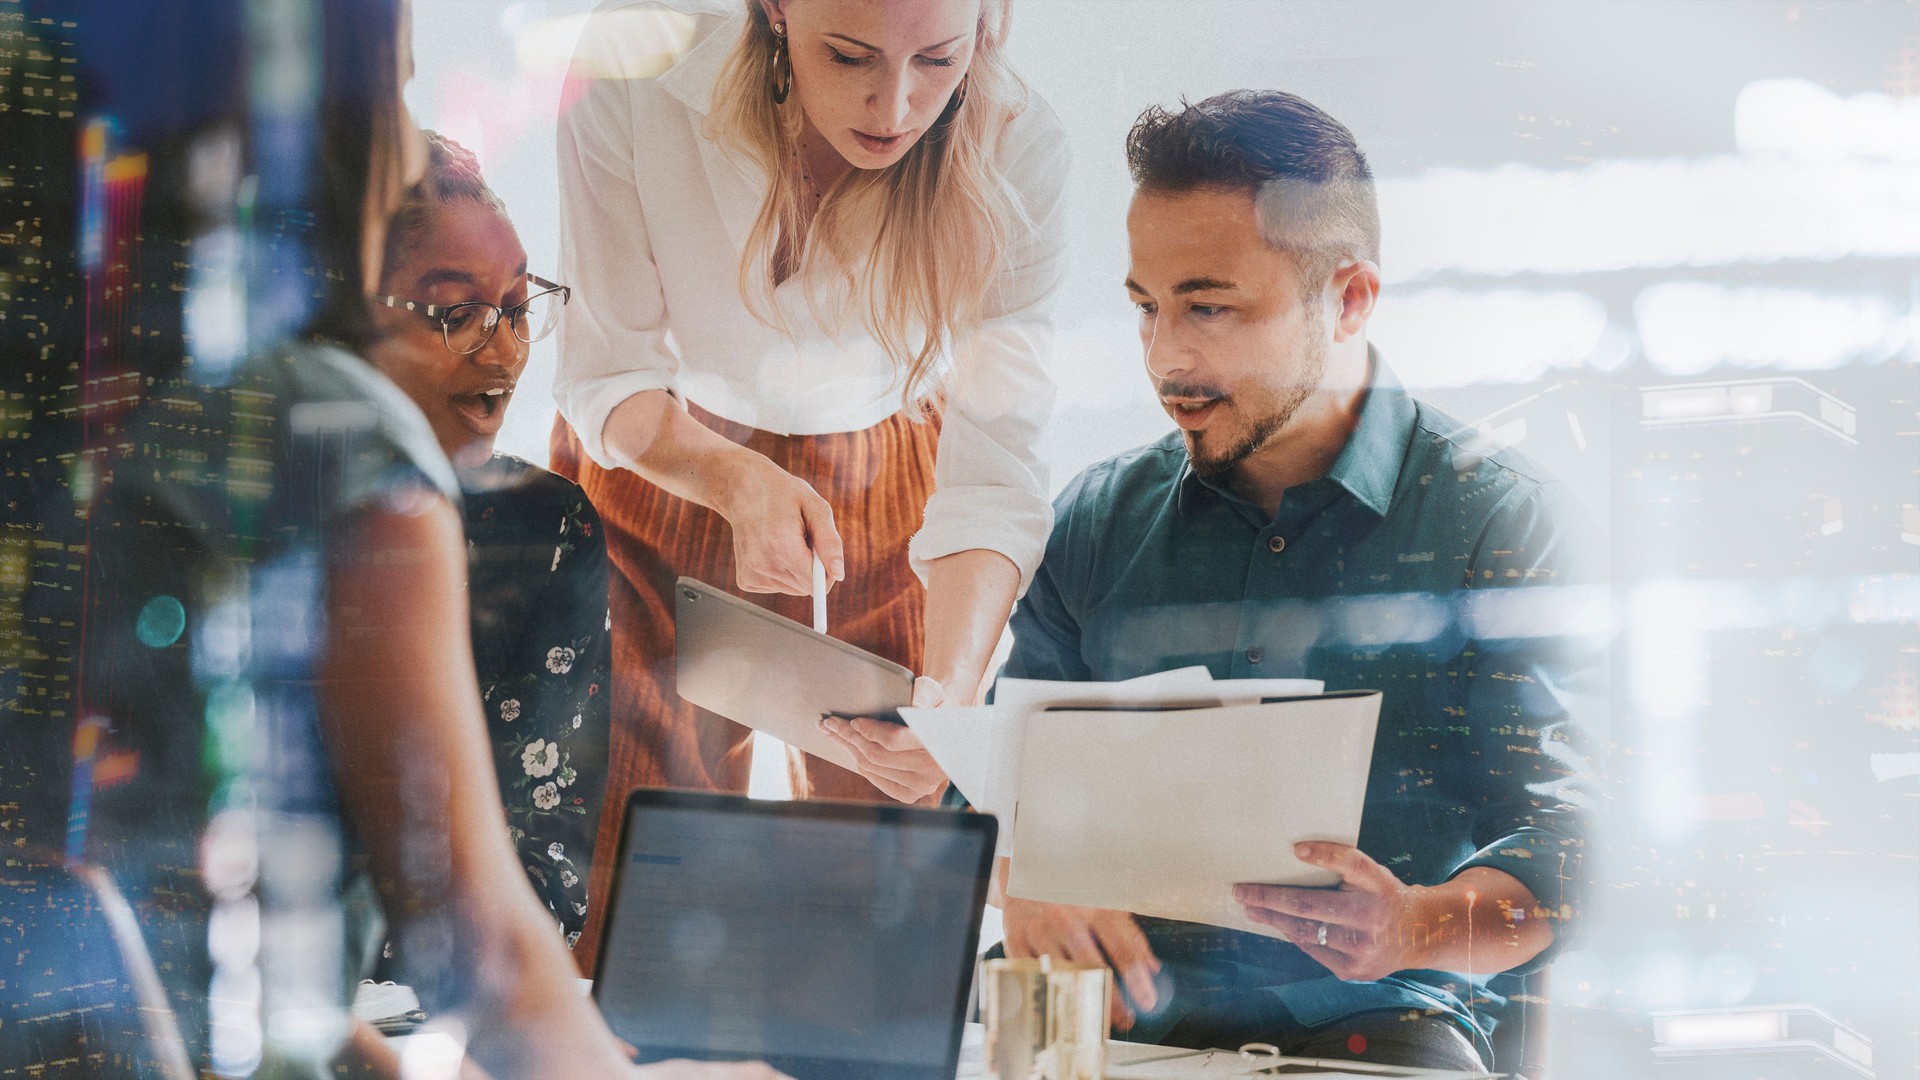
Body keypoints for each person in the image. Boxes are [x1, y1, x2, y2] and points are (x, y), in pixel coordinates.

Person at [71, 1, 783, 1075]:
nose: (409, 139)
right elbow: (483, 950)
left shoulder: (86, 405)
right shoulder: (342, 441)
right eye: (394, 88)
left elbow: (167, 911)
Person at [997, 90, 1600, 1073]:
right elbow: (993, 779)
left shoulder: (1499, 519)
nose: (1165, 359)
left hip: (1377, 1025)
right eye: (1146, 307)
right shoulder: (1097, 519)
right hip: (1108, 1021)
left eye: (1210, 308)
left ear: (1350, 298)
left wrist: (1419, 925)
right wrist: (1021, 874)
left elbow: (1580, 838)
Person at [551, 0, 1066, 962]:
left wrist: (952, 698)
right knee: (622, 904)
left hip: (899, 489)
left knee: (888, 926)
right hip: (658, 463)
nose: (895, 103)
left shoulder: (1020, 145)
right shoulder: (635, 52)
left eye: (939, 59)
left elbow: (996, 473)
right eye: (850, 54)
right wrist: (729, 477)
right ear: (774, 10)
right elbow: (603, 374)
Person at [364, 131, 609, 952]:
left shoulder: (547, 530)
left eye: (516, 307)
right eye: (457, 313)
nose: (504, 352)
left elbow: (546, 877)